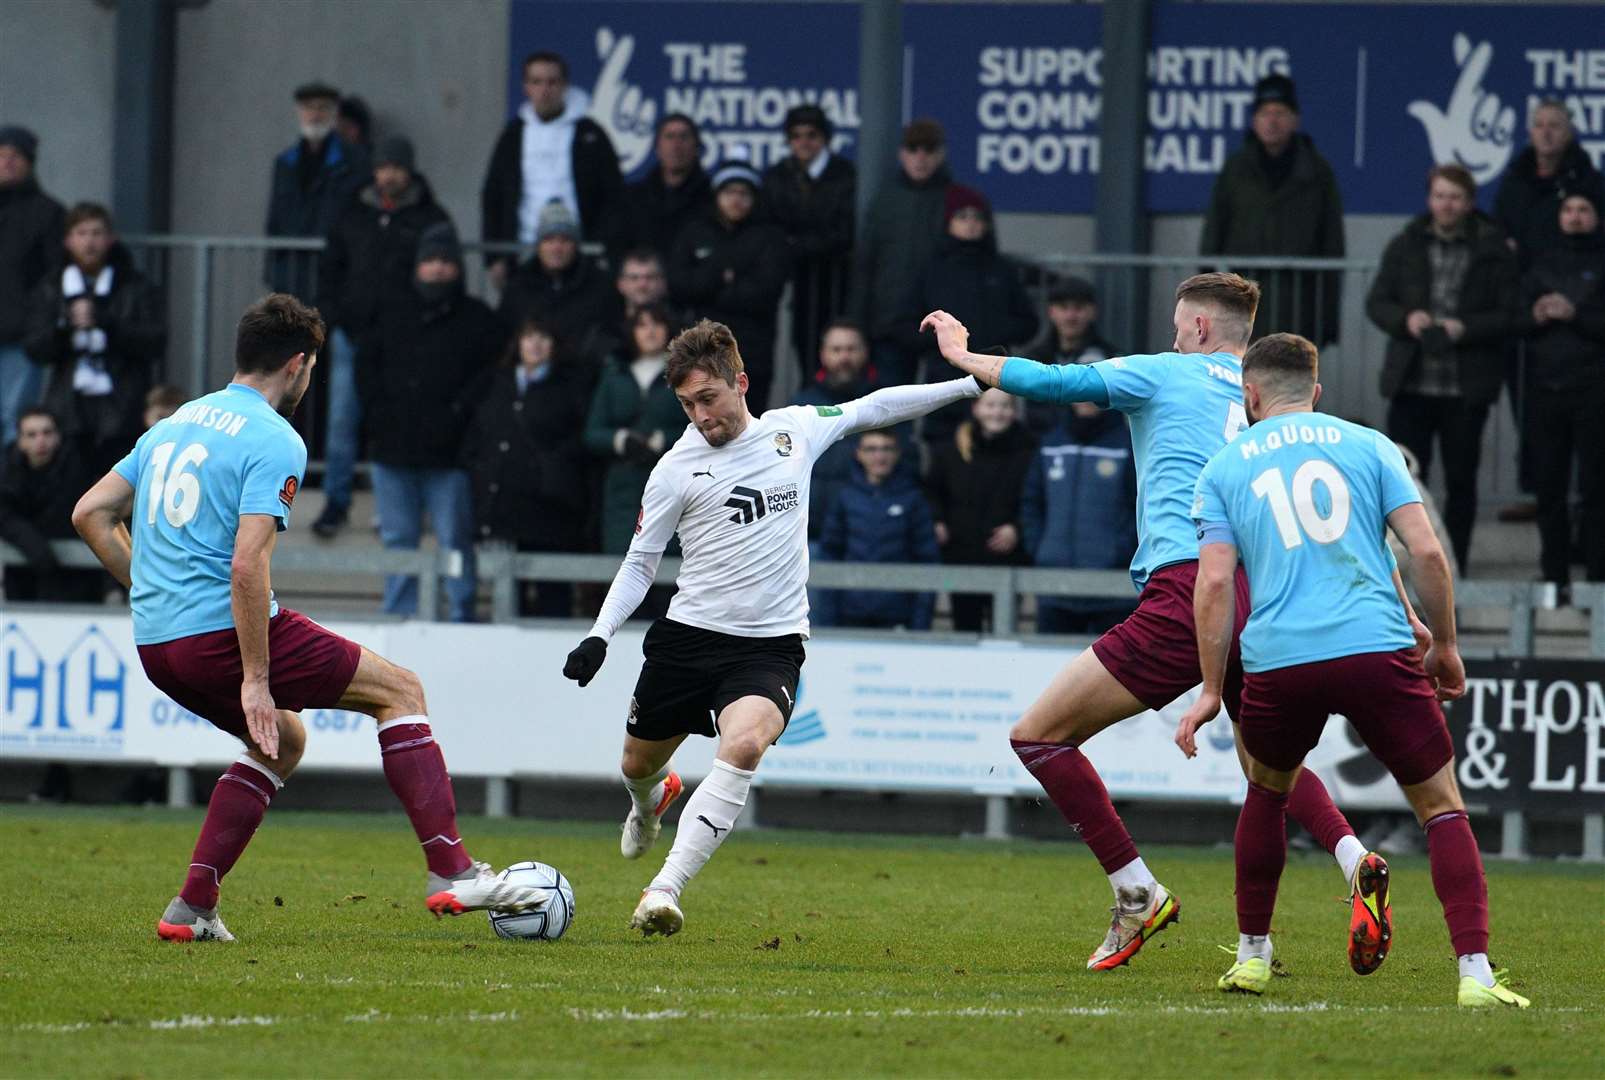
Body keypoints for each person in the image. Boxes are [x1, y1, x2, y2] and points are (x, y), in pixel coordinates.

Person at [922, 273, 1375, 972]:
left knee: (1038, 736)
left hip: (1189, 585)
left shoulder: (1168, 371)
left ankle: (1136, 891)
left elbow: (1053, 383)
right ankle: (1352, 858)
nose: (1171, 336)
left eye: (1175, 325)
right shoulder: (1263, 401)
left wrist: (965, 356)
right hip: (1267, 587)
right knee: (1266, 764)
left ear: (1197, 330)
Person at [70, 293, 545, 942]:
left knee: (283, 740)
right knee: (400, 691)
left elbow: (90, 513)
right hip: (220, 632)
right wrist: (256, 676)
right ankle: (452, 871)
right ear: (297, 365)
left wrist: (151, 586)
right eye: (313, 369)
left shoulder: (175, 424)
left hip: (159, 643)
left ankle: (192, 907)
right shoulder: (274, 438)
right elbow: (245, 565)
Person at [561, 318, 983, 937]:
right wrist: (600, 634)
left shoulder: (794, 431)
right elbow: (641, 562)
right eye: (686, 404)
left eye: (708, 398)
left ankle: (664, 888)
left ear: (741, 383)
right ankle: (649, 802)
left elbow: (875, 407)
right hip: (689, 639)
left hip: (769, 645)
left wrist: (969, 384)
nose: (700, 416)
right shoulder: (675, 469)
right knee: (635, 764)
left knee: (745, 745)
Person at [1177, 332, 1529, 1008]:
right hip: (1375, 647)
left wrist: (1212, 690)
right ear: (1315, 391)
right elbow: (1422, 552)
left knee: (1267, 792)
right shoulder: (1368, 445)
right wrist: (1443, 644)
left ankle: (1252, 957)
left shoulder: (1222, 468)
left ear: (1249, 396)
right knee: (1440, 808)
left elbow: (1215, 584)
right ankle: (1475, 976)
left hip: (1280, 657)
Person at [1366, 164, 1519, 574]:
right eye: (1439, 196)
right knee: (1402, 483)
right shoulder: (1406, 244)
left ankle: (1455, 572)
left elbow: (1510, 313)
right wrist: (1406, 319)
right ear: (1428, 198)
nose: (1446, 205)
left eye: (1455, 197)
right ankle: (1402, 571)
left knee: (1460, 484)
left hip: (1464, 388)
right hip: (1411, 383)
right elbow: (1376, 302)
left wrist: (1464, 328)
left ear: (1469, 203)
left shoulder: (1492, 249)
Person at [358, 224, 503, 622]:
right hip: (393, 451)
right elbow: (365, 372)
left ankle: (460, 612)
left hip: (452, 455)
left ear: (457, 268)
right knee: (398, 539)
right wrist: (379, 416)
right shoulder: (390, 313)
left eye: (445, 262)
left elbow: (488, 380)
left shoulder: (479, 320)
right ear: (418, 266)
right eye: (430, 261)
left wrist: (459, 416)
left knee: (455, 540)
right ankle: (399, 613)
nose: (438, 269)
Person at [314, 135, 452, 538]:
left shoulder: (429, 215)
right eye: (383, 166)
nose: (388, 175)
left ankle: (385, 507)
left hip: (401, 339)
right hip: (352, 335)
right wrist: (335, 316)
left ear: (409, 170)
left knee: (391, 421)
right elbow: (330, 268)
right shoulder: (352, 210)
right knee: (343, 420)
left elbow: (438, 271)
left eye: (396, 167)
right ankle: (336, 503)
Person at [22, 202, 166, 478]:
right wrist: (65, 328)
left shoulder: (136, 285)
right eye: (82, 233)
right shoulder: (51, 287)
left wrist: (106, 322)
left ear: (110, 239)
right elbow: (35, 347)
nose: (90, 242)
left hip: (124, 404)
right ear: (68, 240)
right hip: (69, 408)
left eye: (97, 233)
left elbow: (154, 341)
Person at [1200, 74, 1344, 344]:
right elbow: (1213, 237)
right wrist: (1208, 305)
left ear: (1295, 120)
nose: (1272, 120)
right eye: (1265, 113)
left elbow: (1332, 245)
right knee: (1238, 382)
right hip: (1241, 302)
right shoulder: (1235, 170)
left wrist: (1327, 321)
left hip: (1299, 304)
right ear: (1254, 120)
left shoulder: (1317, 172)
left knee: (1287, 381)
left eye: (1280, 112)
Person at [463, 317, 591, 616]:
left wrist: (549, 469)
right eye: (529, 336)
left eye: (543, 337)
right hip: (502, 509)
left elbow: (579, 441)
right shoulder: (496, 383)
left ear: (555, 346)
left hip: (550, 510)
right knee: (508, 601)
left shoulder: (570, 386)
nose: (535, 344)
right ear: (517, 343)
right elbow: (477, 435)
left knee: (553, 597)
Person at [480, 50, 627, 283]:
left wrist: (601, 247)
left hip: (582, 254)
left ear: (565, 85)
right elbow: (493, 195)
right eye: (536, 82)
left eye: (552, 81)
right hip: (524, 251)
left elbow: (613, 195)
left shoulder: (590, 134)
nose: (544, 90)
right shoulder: (513, 135)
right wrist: (494, 257)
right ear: (525, 87)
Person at [1520, 192, 1605, 591]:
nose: (1574, 217)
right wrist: (1534, 316)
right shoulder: (1540, 263)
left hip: (1594, 389)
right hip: (1546, 389)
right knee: (1549, 487)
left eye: (1583, 210)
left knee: (1595, 487)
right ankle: (1555, 577)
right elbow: (1513, 315)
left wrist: (1576, 315)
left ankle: (1597, 576)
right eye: (1568, 210)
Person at [913, 186, 1038, 445]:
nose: (971, 224)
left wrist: (992, 334)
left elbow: (1029, 322)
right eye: (962, 217)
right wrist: (941, 343)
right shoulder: (932, 270)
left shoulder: (1002, 270)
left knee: (995, 450)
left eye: (977, 217)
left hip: (990, 375)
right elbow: (907, 323)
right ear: (948, 222)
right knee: (943, 456)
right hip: (944, 377)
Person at [585, 303, 685, 620]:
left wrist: (663, 441)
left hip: (670, 485)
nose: (650, 331)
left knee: (668, 587)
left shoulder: (684, 375)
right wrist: (620, 440)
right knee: (625, 579)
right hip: (623, 491)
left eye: (657, 323)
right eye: (642, 325)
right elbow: (592, 432)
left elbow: (701, 425)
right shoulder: (614, 373)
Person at [668, 153, 790, 413]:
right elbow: (679, 285)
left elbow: (765, 292)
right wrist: (720, 276)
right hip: (699, 349)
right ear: (716, 195)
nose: (736, 199)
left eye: (744, 192)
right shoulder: (695, 231)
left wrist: (711, 290)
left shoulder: (769, 236)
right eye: (729, 191)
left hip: (752, 350)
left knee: (748, 419)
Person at [850, 118, 956, 386]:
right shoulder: (885, 201)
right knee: (892, 406)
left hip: (942, 323)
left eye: (928, 149)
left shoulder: (956, 199)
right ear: (902, 153)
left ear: (940, 154)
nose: (920, 157)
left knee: (942, 404)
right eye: (913, 149)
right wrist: (859, 323)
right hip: (891, 323)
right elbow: (865, 265)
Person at [1020, 399, 1138, 636]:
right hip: (1054, 584)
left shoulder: (1129, 444)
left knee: (1109, 672)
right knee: (1051, 671)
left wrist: (1120, 552)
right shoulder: (1051, 442)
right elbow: (1031, 502)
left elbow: (1140, 505)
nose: (1086, 399)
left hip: (1112, 588)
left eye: (1094, 391)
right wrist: (1040, 548)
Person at [925, 388, 1035, 632]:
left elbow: (1036, 501)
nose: (998, 412)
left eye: (1005, 406)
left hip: (1008, 558)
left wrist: (1016, 529)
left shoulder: (1030, 451)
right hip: (960, 556)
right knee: (964, 629)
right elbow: (932, 492)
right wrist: (937, 520)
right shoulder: (950, 450)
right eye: (991, 405)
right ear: (976, 409)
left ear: (1014, 412)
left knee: (1005, 632)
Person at [762, 104, 856, 376]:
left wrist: (796, 245)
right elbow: (771, 226)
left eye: (811, 134)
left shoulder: (845, 175)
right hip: (797, 283)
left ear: (825, 138)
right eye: (796, 135)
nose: (804, 142)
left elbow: (843, 233)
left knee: (838, 352)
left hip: (837, 283)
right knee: (804, 350)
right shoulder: (778, 176)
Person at [817, 429, 938, 630]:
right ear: (858, 454)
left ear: (897, 454)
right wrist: (829, 620)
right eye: (871, 449)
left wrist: (920, 625)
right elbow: (830, 556)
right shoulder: (845, 498)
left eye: (887, 449)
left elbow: (927, 561)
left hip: (899, 614)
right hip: (849, 613)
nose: (879, 456)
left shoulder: (913, 499)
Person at [264, 82, 363, 297]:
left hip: (335, 275)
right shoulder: (285, 162)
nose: (315, 115)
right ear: (299, 112)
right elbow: (274, 218)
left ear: (334, 113)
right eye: (309, 108)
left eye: (322, 108)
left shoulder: (354, 161)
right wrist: (272, 271)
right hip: (291, 274)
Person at [499, 199, 620, 373]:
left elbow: (611, 332)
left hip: (585, 378)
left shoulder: (600, 285)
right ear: (538, 245)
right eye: (549, 239)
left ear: (575, 245)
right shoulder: (518, 286)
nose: (557, 247)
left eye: (564, 240)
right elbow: (505, 337)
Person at [0, 125, 63, 451]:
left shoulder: (47, 213)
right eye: (2, 154)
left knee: (15, 421)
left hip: (20, 339)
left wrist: (37, 323)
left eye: (16, 155)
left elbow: (54, 276)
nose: (8, 162)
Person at [1, 407, 101, 603]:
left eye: (47, 432)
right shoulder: (8, 472)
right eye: (32, 434)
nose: (41, 440)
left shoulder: (78, 468)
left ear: (58, 436)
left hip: (76, 579)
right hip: (25, 577)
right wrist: (35, 546)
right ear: (20, 441)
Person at [1019, 276, 1120, 439]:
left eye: (1078, 308)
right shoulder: (1034, 358)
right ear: (1051, 312)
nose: (1070, 316)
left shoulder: (1109, 359)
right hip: (1043, 447)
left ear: (1092, 312)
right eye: (1063, 307)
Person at [624, 113, 711, 261]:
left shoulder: (712, 198)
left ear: (696, 147)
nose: (676, 146)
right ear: (657, 147)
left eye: (684, 137)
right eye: (669, 137)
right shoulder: (633, 198)